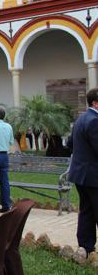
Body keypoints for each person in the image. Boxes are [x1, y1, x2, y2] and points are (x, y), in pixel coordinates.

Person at [67, 88, 98, 254]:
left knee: (86, 210)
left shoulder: (81, 119)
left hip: (80, 174)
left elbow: (70, 143)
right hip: (93, 175)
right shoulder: (94, 120)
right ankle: (86, 245)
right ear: (95, 103)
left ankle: (85, 245)